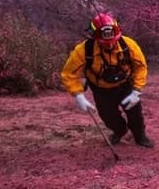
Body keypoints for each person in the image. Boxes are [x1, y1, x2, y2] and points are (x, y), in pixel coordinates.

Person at [61, 13, 153, 148]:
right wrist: (78, 95)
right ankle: (120, 131)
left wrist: (136, 90)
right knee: (108, 116)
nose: (109, 45)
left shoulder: (129, 45)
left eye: (112, 41)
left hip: (125, 85)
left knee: (135, 113)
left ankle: (140, 135)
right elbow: (68, 73)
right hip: (101, 89)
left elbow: (140, 67)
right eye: (105, 43)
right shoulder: (83, 50)